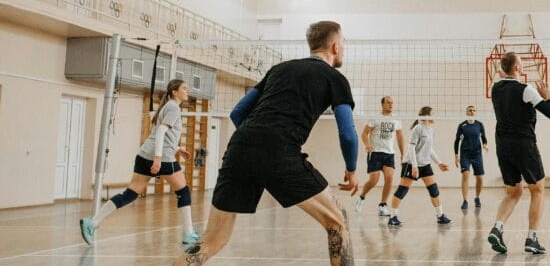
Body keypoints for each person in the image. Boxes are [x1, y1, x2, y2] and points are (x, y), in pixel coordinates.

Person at [172, 21, 360, 265]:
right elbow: (347, 132)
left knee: (212, 239)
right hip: (279, 151)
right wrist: (352, 169)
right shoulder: (335, 78)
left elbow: (237, 113)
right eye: (343, 43)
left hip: (239, 148)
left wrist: (255, 142)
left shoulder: (279, 69)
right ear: (335, 47)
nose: (343, 48)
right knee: (337, 221)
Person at [79, 79, 198, 246]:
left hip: (144, 155)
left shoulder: (167, 106)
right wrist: (158, 159)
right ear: (174, 92)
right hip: (162, 157)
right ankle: (189, 233)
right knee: (183, 191)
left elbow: (160, 134)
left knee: (130, 194)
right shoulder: (173, 107)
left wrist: (177, 148)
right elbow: (162, 132)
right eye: (184, 88)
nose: (187, 91)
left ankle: (92, 222)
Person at [486, 52, 550, 254]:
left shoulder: (496, 89)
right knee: (538, 190)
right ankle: (532, 238)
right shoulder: (526, 89)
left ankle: (497, 228)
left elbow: (505, 79)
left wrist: (506, 72)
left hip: (503, 145)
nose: (523, 65)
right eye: (521, 63)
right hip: (523, 144)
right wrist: (548, 95)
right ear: (516, 68)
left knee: (514, 191)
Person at [386, 106, 451, 226]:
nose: (434, 116)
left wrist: (439, 163)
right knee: (402, 191)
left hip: (425, 164)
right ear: (426, 116)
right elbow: (411, 147)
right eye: (432, 114)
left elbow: (429, 148)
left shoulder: (431, 129)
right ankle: (393, 217)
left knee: (434, 190)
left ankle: (440, 216)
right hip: (411, 163)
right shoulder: (417, 128)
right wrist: (414, 166)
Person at [353, 96, 405, 216]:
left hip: (389, 154)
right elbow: (364, 134)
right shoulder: (375, 118)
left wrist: (403, 153)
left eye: (392, 103)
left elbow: (400, 136)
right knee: (374, 180)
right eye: (388, 102)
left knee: (389, 178)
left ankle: (382, 205)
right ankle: (361, 198)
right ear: (382, 104)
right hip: (375, 153)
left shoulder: (396, 119)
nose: (391, 105)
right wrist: (367, 145)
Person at [454, 105, 489, 210]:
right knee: (465, 175)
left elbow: (483, 137)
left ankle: (477, 197)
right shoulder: (462, 125)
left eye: (474, 110)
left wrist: (485, 144)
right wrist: (456, 156)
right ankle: (465, 200)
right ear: (466, 112)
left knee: (480, 178)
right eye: (470, 110)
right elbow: (456, 141)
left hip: (477, 154)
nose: (472, 112)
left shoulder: (479, 124)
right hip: (465, 154)